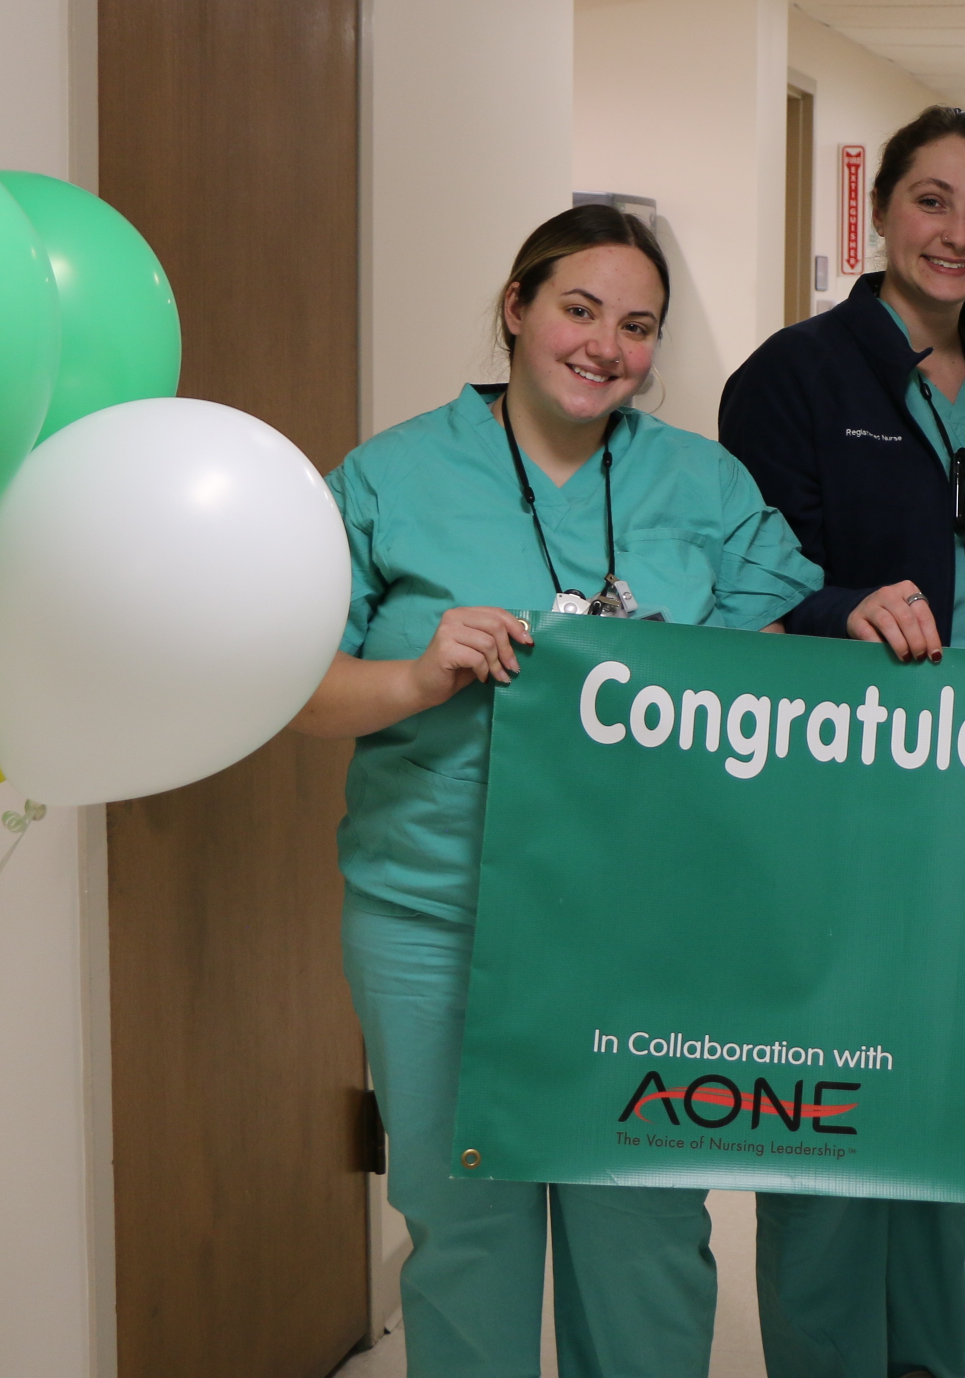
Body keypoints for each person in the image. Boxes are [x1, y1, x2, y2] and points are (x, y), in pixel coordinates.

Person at [288, 206, 821, 1378]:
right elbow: (298, 691)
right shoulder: (392, 478)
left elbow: (771, 670)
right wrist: (422, 672)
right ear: (518, 308)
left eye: (638, 326)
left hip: (646, 929)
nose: (606, 347)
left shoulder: (701, 483)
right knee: (463, 1229)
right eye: (579, 310)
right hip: (438, 916)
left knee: (643, 1233)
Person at [718, 105, 965, 1378]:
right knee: (830, 1103)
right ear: (880, 212)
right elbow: (748, 578)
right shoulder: (792, 377)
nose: (956, 234)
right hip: (845, 803)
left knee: (950, 1115)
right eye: (931, 202)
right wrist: (842, 605)